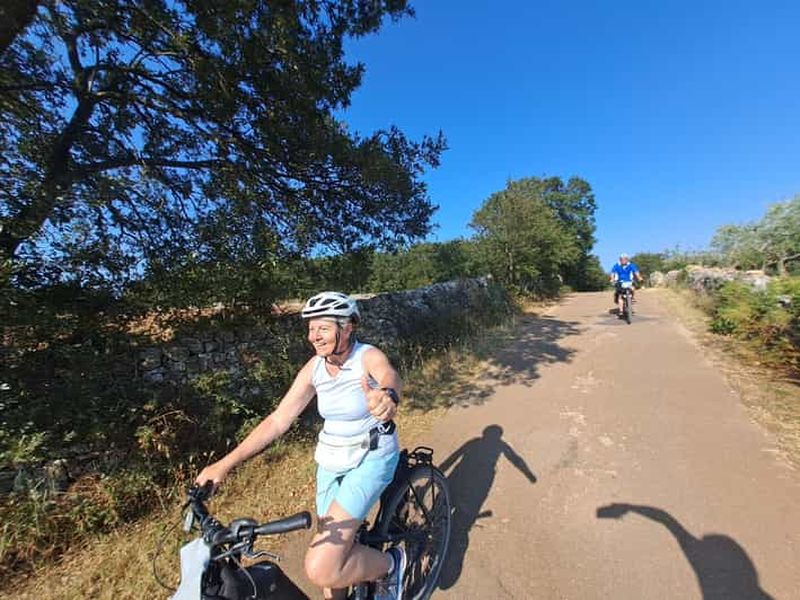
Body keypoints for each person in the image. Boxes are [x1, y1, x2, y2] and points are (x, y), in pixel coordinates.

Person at [195, 291, 405, 600]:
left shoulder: (366, 356)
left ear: (347, 328)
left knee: (322, 567)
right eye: (310, 328)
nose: (313, 336)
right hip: (332, 460)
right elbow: (279, 420)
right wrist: (223, 464)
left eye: (322, 328)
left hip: (371, 457)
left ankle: (391, 564)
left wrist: (387, 396)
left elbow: (389, 374)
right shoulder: (314, 368)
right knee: (332, 563)